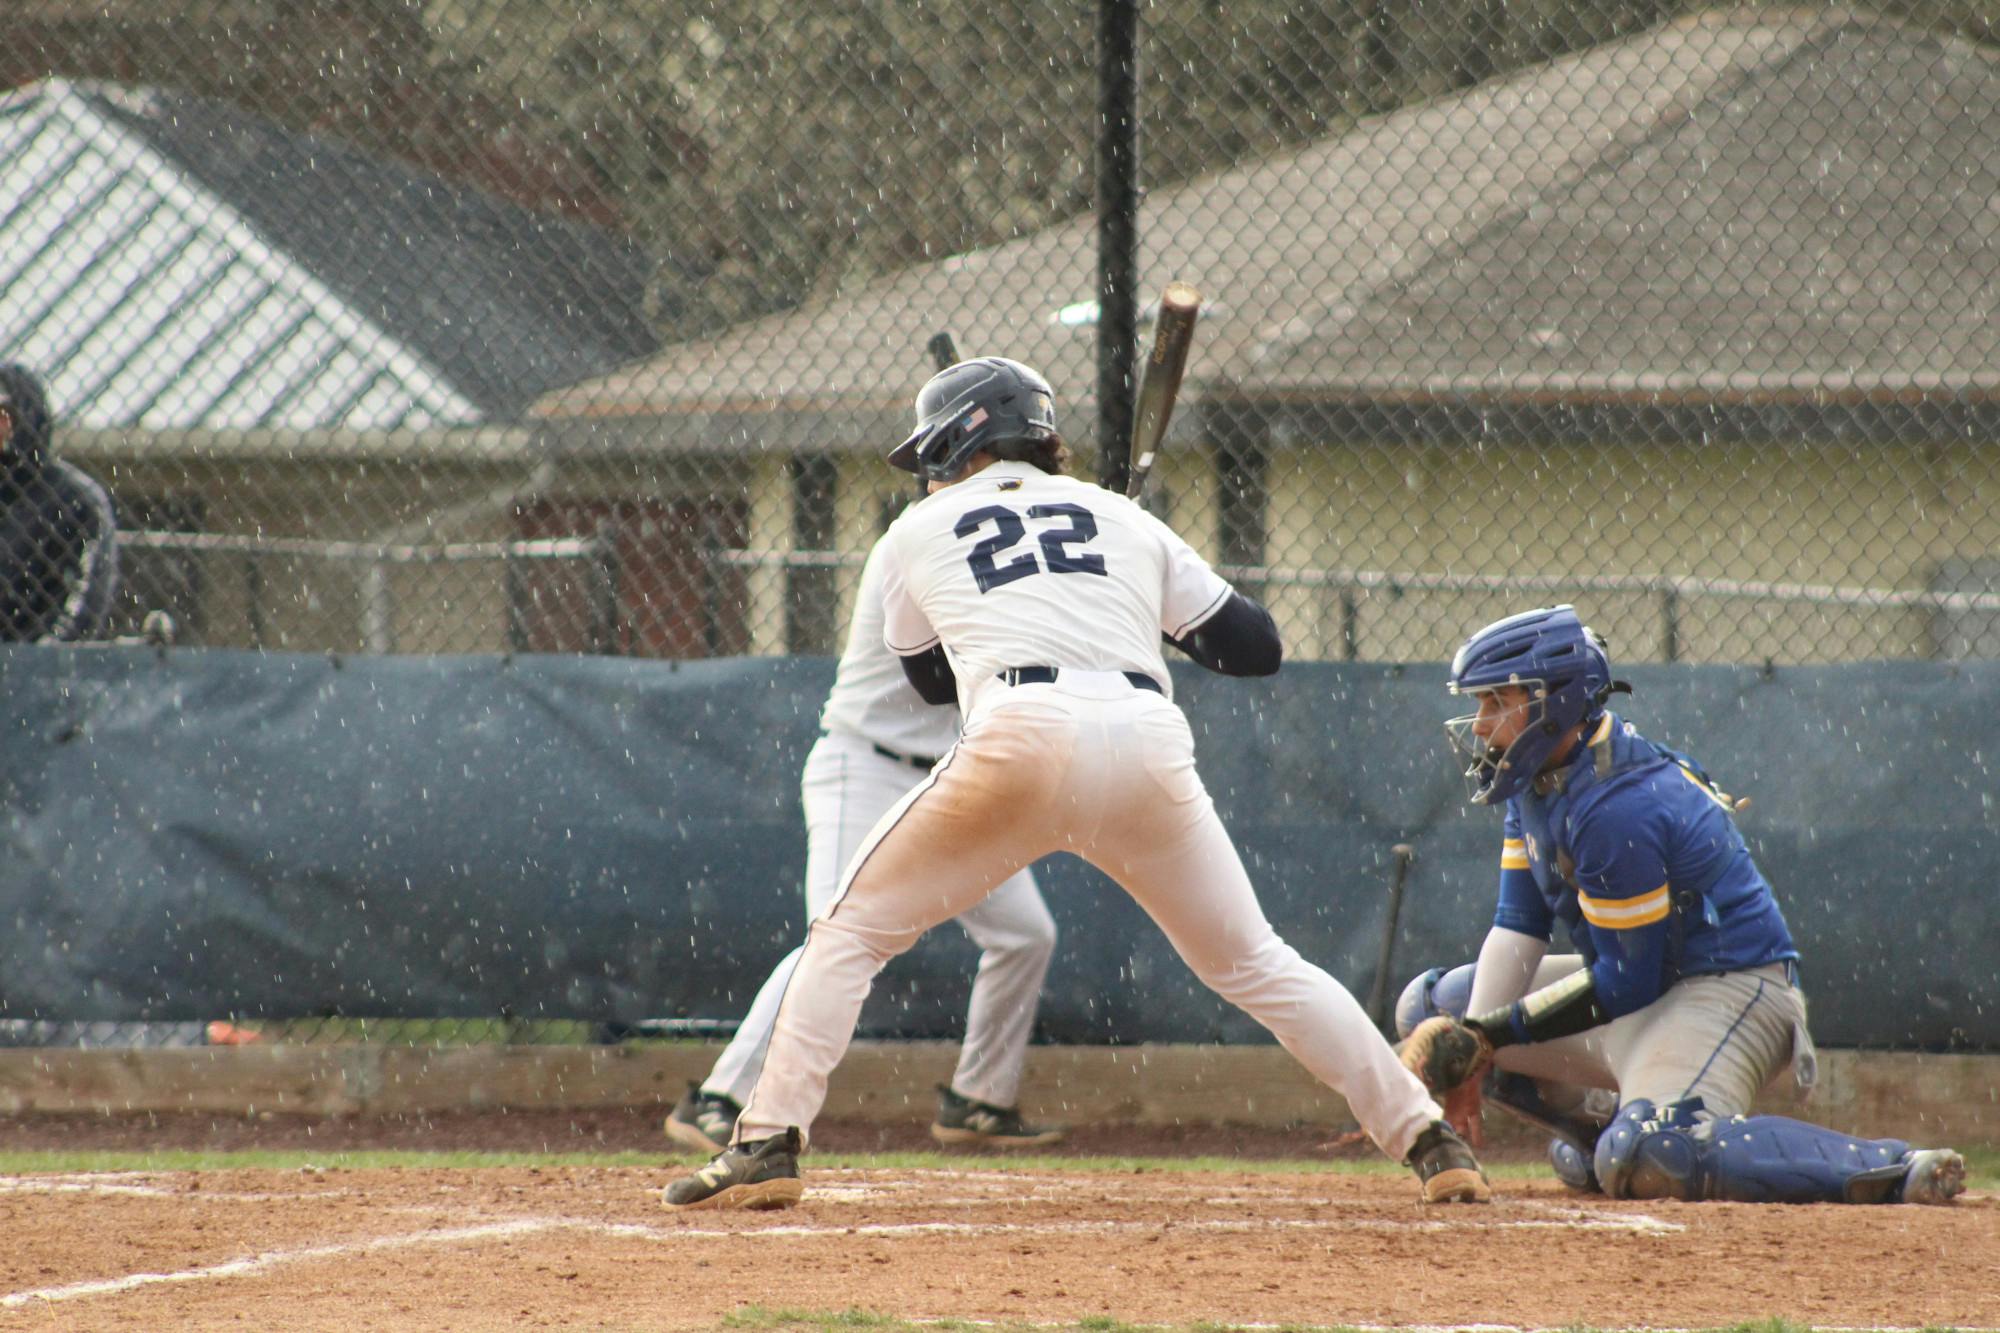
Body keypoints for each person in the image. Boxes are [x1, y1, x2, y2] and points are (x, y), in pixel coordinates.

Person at [664, 356, 1489, 1210]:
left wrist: (1041, 603)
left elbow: (934, 685)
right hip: (1146, 745)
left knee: (848, 930)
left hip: (1018, 736)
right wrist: (1134, 598)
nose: (932, 471)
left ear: (960, 442)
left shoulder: (917, 528)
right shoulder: (1124, 517)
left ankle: (767, 1140)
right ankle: (1427, 1135)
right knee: (1255, 960)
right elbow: (1254, 648)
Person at [1395, 605, 1964, 1205]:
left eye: (1496, 702)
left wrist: (1487, 1035)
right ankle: (1601, 1135)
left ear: (1553, 700)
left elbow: (1627, 980)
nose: (1481, 724)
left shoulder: (1618, 804)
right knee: (1436, 1007)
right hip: (1645, 987)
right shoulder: (1545, 772)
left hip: (1731, 990)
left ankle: (1890, 1165)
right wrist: (1475, 1049)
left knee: (1654, 1157)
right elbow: (1519, 924)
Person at [664, 527, 1064, 1155]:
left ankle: (980, 1101)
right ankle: (720, 1099)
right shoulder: (914, 543)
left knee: (1024, 934)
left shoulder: (1021, 551)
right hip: (867, 766)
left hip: (954, 776)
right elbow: (947, 667)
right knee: (832, 938)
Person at [1, 363, 118, 644]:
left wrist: (47, 659)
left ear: (24, 417)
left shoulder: (73, 498)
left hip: (40, 668)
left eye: (5, 413)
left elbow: (88, 598)